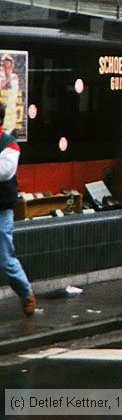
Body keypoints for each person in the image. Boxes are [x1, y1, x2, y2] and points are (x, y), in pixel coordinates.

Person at [0, 102, 35, 315]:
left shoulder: (9, 144)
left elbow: (3, 172)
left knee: (5, 260)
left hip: (1, 210)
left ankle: (26, 292)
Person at [0, 54, 18, 132]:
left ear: (12, 67)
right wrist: (7, 78)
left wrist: (8, 78)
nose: (6, 69)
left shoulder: (14, 77)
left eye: (8, 67)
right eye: (4, 67)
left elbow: (12, 80)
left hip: (11, 121)